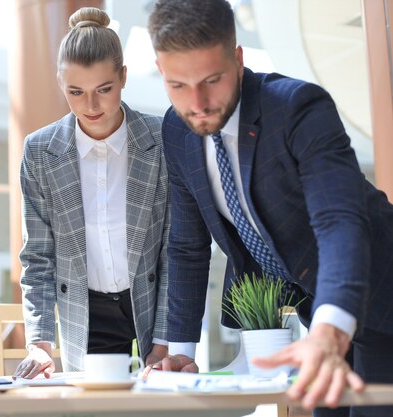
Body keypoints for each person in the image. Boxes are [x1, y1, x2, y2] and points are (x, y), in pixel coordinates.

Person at [146, 0, 393, 416]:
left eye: (212, 80)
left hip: (382, 292)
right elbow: (188, 248)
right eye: (178, 85)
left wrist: (332, 332)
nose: (198, 102)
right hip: (320, 309)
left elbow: (339, 223)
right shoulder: (176, 129)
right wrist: (181, 353)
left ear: (238, 59)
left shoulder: (297, 108)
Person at [14, 7, 169, 378]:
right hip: (84, 314)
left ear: (124, 77)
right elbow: (38, 258)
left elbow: (174, 248)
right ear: (60, 84)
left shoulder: (163, 141)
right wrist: (39, 343)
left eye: (104, 89)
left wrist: (167, 340)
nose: (91, 105)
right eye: (75, 92)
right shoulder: (39, 152)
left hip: (153, 307)